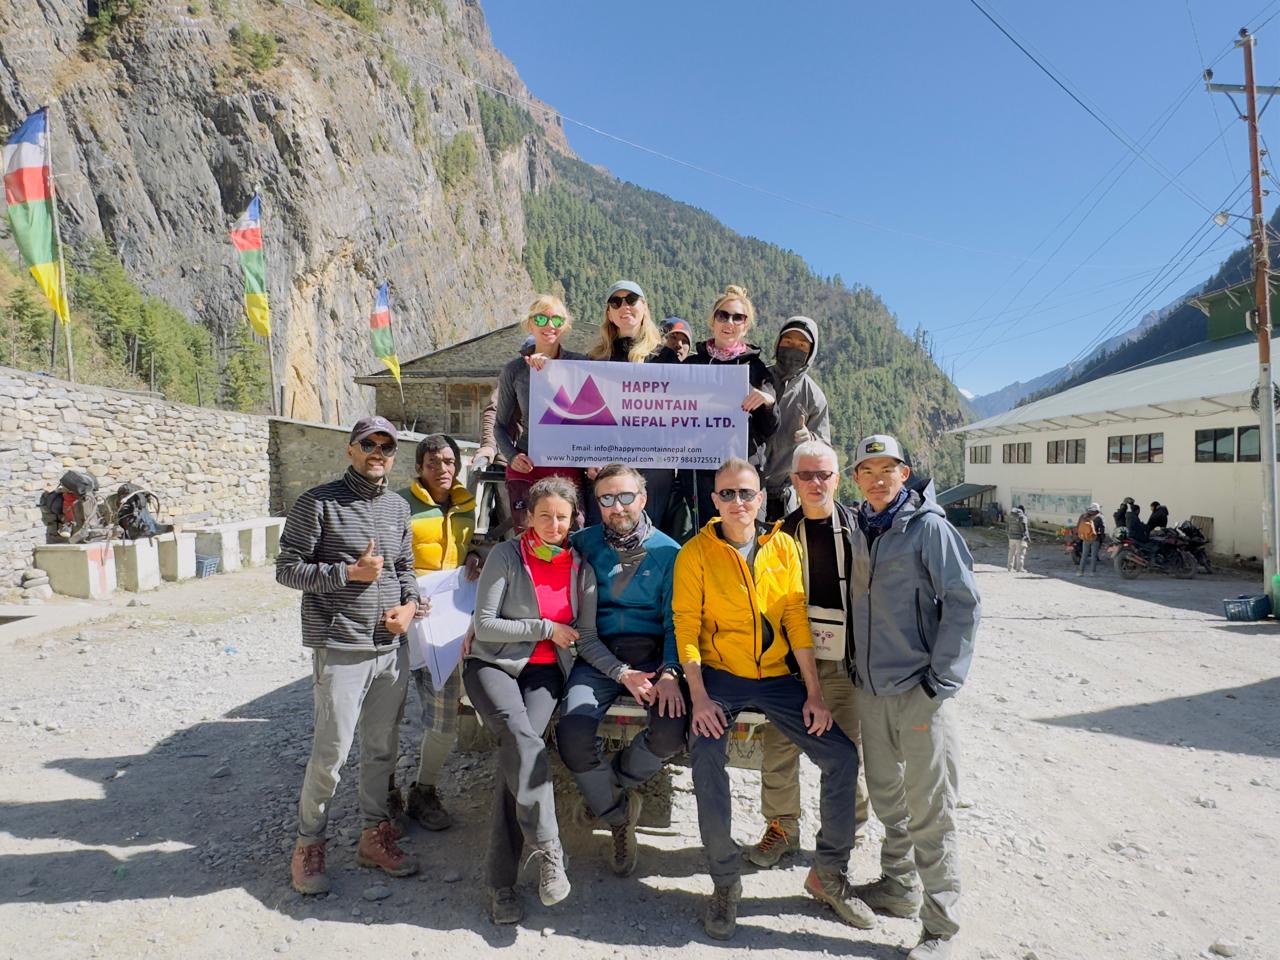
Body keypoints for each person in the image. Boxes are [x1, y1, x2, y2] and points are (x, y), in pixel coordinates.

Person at [674, 457, 873, 941]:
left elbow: (796, 619)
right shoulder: (696, 553)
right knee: (706, 755)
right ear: (714, 500)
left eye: (746, 493)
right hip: (722, 677)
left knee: (842, 756)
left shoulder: (782, 546)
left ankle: (828, 873)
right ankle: (725, 882)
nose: (737, 502)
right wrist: (699, 697)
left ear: (761, 498)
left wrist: (814, 692)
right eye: (727, 494)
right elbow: (687, 628)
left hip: (778, 677)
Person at [847, 434, 980, 960]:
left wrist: (939, 682)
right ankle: (899, 887)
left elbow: (963, 603)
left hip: (920, 692)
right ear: (857, 478)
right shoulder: (861, 528)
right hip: (872, 690)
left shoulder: (929, 528)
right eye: (868, 470)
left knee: (931, 810)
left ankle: (940, 928)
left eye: (888, 469)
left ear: (905, 474)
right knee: (887, 796)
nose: (878, 479)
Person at [278, 416, 421, 896]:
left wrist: (410, 607)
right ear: (351, 449)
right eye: (369, 444)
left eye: (386, 446)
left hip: (390, 649)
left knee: (382, 748)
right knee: (331, 752)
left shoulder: (398, 507)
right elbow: (287, 569)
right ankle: (309, 843)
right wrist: (347, 573)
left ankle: (373, 836)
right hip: (341, 645)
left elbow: (405, 567)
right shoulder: (317, 502)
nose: (378, 452)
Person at [465, 476, 596, 925]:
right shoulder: (507, 555)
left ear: (574, 519)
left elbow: (585, 632)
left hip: (545, 672)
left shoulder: (581, 567)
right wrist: (545, 628)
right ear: (529, 517)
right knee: (524, 742)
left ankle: (501, 883)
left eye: (562, 517)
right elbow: (485, 625)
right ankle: (548, 848)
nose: (554, 525)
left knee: (518, 757)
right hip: (492, 664)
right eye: (545, 516)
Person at [555, 464, 688, 876]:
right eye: (607, 499)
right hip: (597, 656)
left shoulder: (669, 553)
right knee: (572, 733)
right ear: (597, 504)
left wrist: (671, 673)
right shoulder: (582, 544)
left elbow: (676, 621)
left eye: (626, 497)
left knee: (671, 731)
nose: (618, 507)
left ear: (643, 499)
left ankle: (609, 789)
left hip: (652, 658)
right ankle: (617, 816)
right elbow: (529, 555)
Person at [748, 439, 873, 868]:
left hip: (844, 660)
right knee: (779, 749)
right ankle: (781, 828)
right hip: (790, 665)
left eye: (824, 474)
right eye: (806, 475)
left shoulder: (861, 531)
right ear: (793, 481)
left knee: (846, 749)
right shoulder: (778, 535)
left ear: (838, 479)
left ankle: (846, 833)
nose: (815, 483)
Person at [387, 434, 480, 831]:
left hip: (443, 629)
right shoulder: (398, 505)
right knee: (386, 717)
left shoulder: (467, 504)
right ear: (419, 468)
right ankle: (384, 793)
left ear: (457, 465)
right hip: (398, 625)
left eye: (448, 461)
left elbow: (472, 544)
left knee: (443, 720)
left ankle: (424, 791)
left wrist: (475, 554)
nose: (441, 469)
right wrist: (406, 597)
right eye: (432, 462)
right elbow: (386, 561)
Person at [586, 281, 682, 531]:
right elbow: (584, 417)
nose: (624, 306)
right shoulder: (595, 359)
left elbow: (679, 412)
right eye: (615, 302)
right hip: (606, 463)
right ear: (609, 313)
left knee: (648, 535)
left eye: (631, 300)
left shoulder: (665, 357)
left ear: (644, 307)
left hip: (653, 467)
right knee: (604, 533)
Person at [685, 286, 780, 526]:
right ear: (712, 321)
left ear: (745, 326)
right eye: (723, 315)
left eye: (738, 317)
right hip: (702, 477)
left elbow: (769, 428)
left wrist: (768, 403)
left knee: (749, 538)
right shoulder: (692, 364)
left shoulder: (757, 368)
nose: (730, 322)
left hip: (746, 473)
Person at [495, 296, 588, 531]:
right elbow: (500, 426)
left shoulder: (581, 364)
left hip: (568, 467)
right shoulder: (515, 371)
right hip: (527, 466)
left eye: (557, 319)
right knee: (529, 539)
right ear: (530, 324)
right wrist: (512, 456)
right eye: (541, 319)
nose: (549, 325)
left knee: (571, 535)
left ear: (565, 325)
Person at [762, 316, 832, 523]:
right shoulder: (757, 378)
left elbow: (825, 447)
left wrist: (810, 440)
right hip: (748, 489)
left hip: (785, 494)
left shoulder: (814, 396)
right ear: (778, 344)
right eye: (788, 342)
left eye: (802, 345)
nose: (793, 349)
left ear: (810, 352)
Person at [1076, 502, 1105, 577]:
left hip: (1086, 538)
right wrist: (1102, 539)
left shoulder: (1083, 516)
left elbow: (1078, 526)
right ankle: (1092, 572)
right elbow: (1102, 529)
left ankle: (1080, 572)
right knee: (1094, 556)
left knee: (1084, 555)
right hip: (1095, 538)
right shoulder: (1099, 517)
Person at [1006, 505, 1029, 572]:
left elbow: (1007, 527)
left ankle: (1009, 567)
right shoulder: (1022, 517)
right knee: (1020, 553)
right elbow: (1024, 528)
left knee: (1011, 553)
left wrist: (1009, 535)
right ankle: (1019, 568)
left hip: (1011, 537)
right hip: (1020, 538)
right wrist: (1026, 537)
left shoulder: (1010, 516)